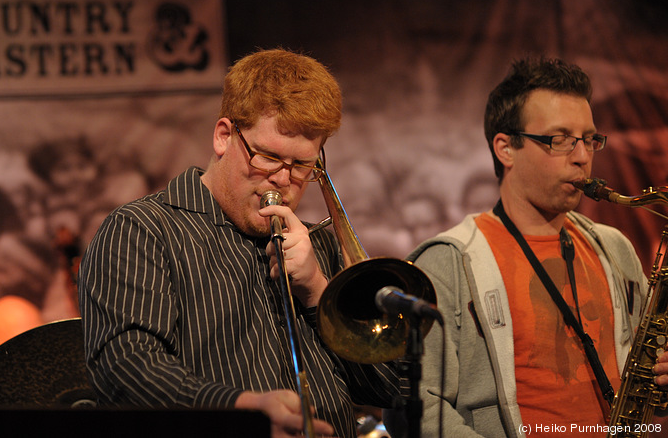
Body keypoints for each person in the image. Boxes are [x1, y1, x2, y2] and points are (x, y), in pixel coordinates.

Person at [78, 48, 406, 438]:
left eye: (302, 165)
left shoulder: (318, 244)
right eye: (268, 157)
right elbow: (126, 372)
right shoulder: (142, 231)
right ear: (223, 137)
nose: (283, 181)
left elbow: (389, 386)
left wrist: (318, 292)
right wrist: (242, 412)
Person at [384, 57, 665, 437]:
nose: (582, 157)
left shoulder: (615, 249)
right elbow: (416, 406)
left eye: (589, 139)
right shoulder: (446, 263)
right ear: (505, 148)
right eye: (560, 139)